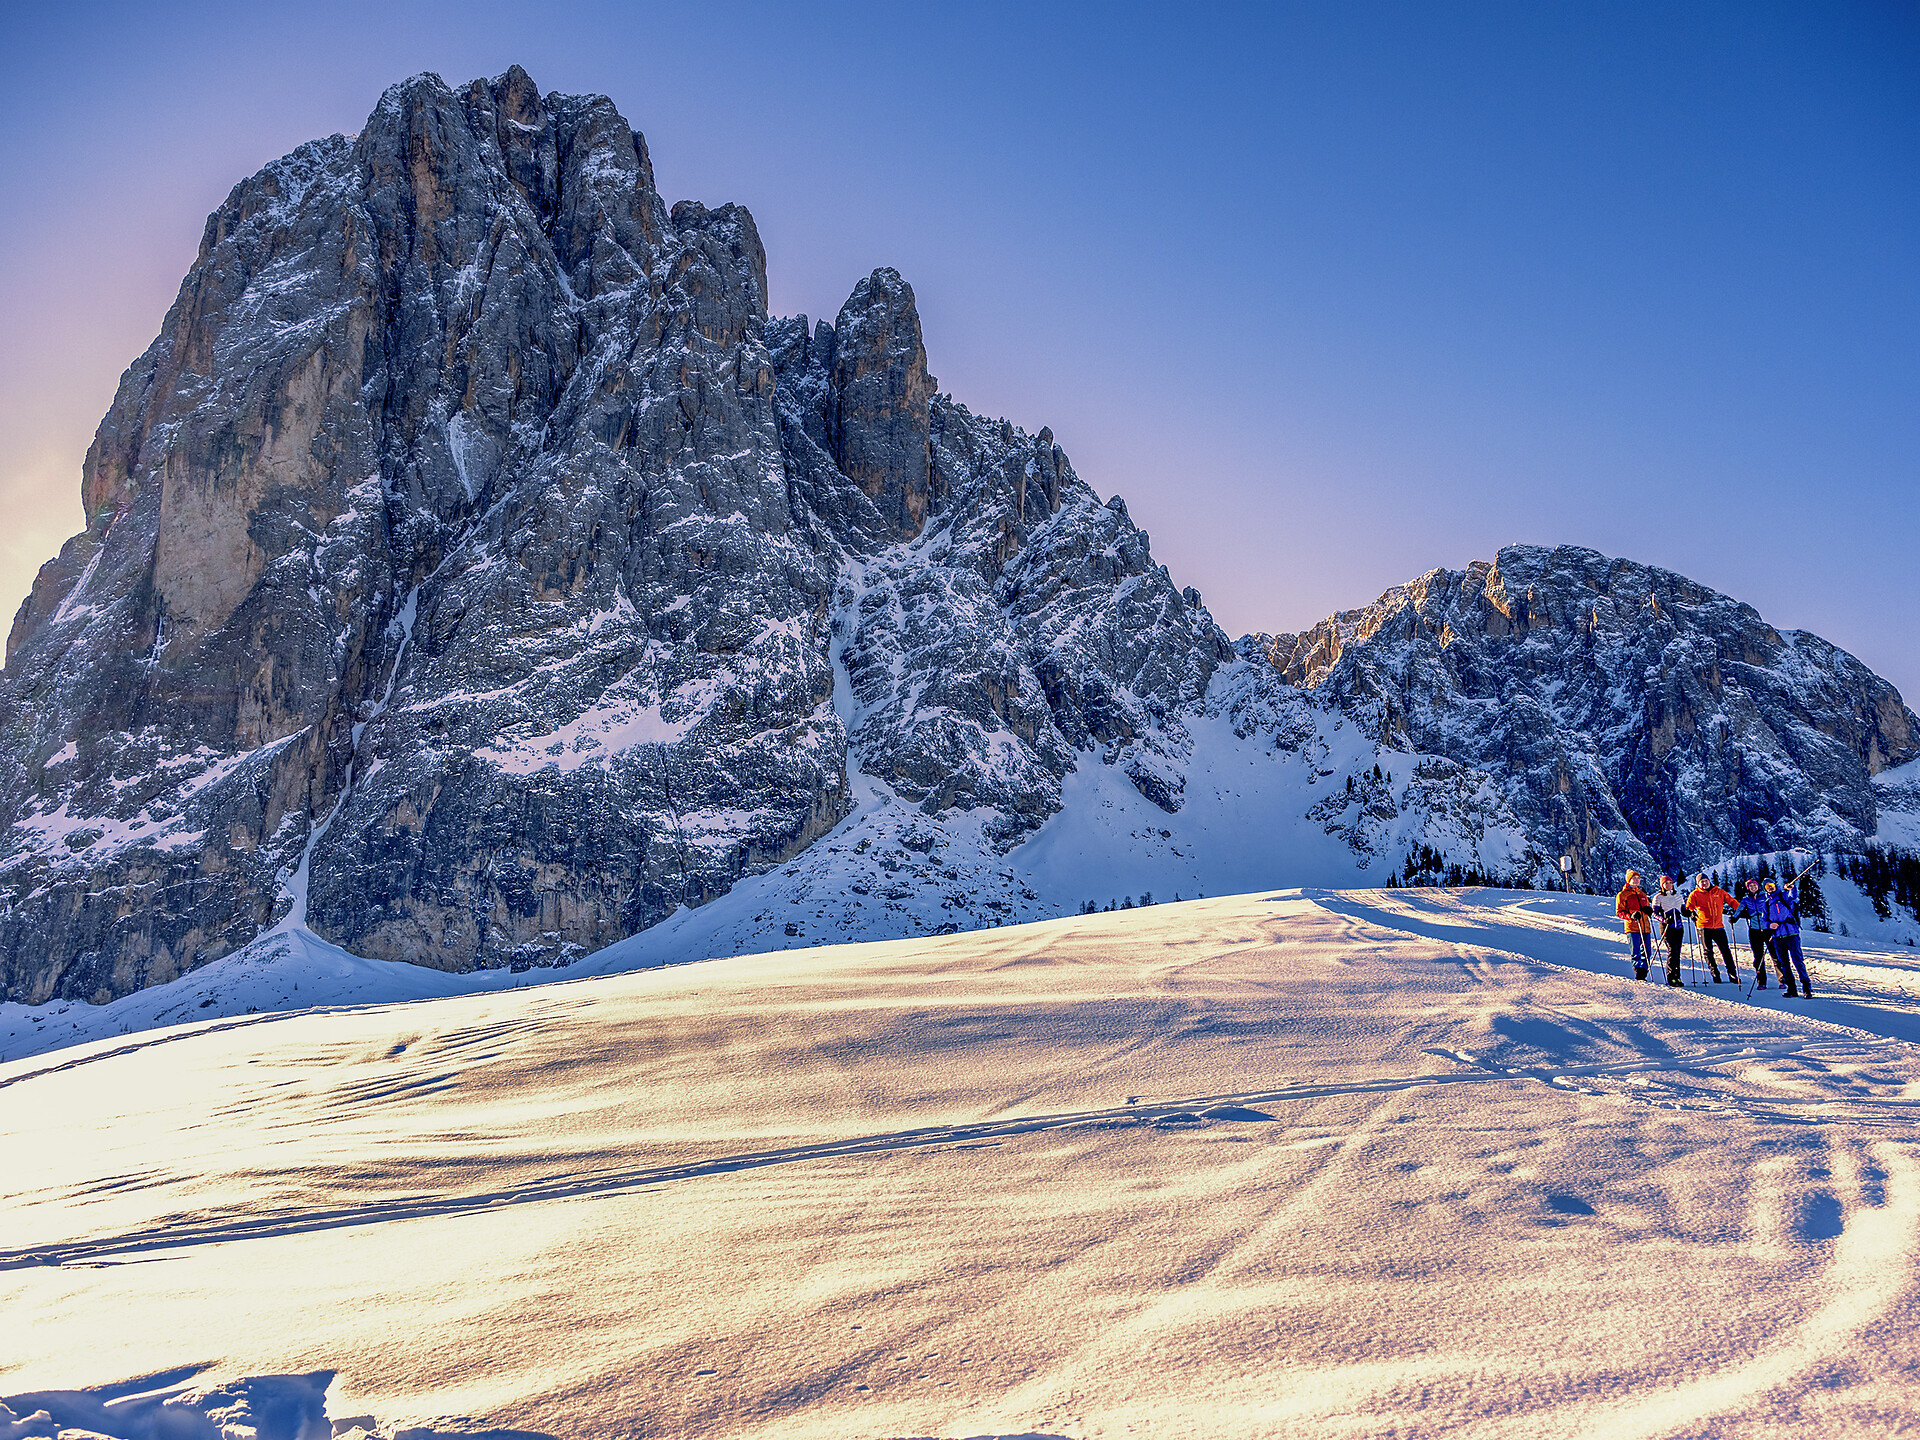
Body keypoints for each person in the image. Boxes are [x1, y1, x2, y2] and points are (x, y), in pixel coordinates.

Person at [1763, 878, 1813, 998]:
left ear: (1775, 885)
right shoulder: (1766, 903)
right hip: (1778, 937)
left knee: (1798, 961)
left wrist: (1792, 888)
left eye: (1771, 885)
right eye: (1766, 886)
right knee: (1784, 963)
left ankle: (1806, 988)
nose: (1770, 887)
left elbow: (1793, 896)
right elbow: (1764, 920)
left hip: (1792, 934)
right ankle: (1792, 989)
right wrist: (1770, 925)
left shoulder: (1785, 896)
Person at [1730, 878, 1781, 992]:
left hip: (1768, 929)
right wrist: (1734, 918)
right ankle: (1761, 982)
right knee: (1758, 957)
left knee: (1775, 955)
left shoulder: (1765, 896)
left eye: (1755, 885)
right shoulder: (1746, 899)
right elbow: (1739, 910)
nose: (1753, 887)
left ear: (1758, 886)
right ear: (1748, 888)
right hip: (1754, 930)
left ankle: (1782, 980)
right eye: (1750, 886)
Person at [1686, 872, 1736, 983]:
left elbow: (1731, 901)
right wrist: (1691, 913)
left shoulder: (1719, 892)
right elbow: (1688, 907)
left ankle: (1732, 974)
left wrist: (1740, 910)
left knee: (1725, 951)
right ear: (1698, 884)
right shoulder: (1695, 894)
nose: (1704, 883)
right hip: (1703, 927)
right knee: (1708, 952)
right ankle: (1715, 974)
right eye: (1701, 882)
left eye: (1706, 881)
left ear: (1709, 881)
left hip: (1718, 926)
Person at [1651, 875, 1688, 986]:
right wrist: (1664, 919)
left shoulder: (1678, 896)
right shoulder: (1658, 897)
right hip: (1667, 927)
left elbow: (1683, 910)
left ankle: (1677, 977)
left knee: (1677, 952)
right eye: (1666, 883)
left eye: (1670, 883)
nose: (1668, 885)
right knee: (1672, 951)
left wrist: (1689, 913)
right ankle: (1671, 977)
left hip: (1679, 927)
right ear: (1662, 885)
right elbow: (1654, 913)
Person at [1616, 870, 1653, 980]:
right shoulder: (1623, 894)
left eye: (1638, 878)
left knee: (1647, 952)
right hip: (1632, 927)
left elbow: (1647, 907)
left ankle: (1644, 971)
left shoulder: (1642, 894)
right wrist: (1631, 916)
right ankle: (1638, 972)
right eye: (1634, 878)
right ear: (1629, 880)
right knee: (1635, 951)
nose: (1636, 880)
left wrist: (1648, 911)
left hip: (1645, 926)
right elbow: (1619, 912)